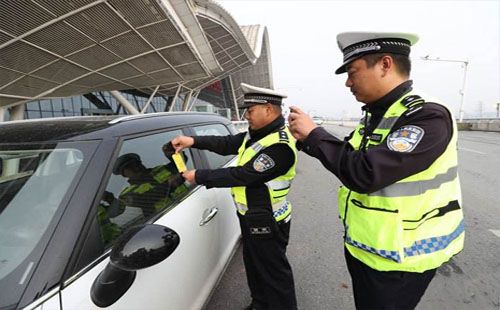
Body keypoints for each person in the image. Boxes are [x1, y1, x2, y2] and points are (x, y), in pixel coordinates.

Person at [288, 31, 465, 309]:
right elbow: (350, 156)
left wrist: (314, 134)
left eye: (353, 71)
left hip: (402, 259)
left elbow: (366, 173)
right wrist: (308, 140)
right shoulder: (377, 112)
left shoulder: (425, 114)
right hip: (368, 249)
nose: (348, 82)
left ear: (385, 64)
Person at [168, 83, 298, 310]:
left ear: (268, 109)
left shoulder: (280, 146)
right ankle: (260, 305)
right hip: (250, 216)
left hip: (269, 219)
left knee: (274, 274)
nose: (246, 116)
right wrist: (193, 141)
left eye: (250, 111)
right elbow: (226, 143)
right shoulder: (256, 135)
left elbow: (243, 175)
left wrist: (199, 175)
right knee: (255, 267)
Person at [112, 151, 187, 218]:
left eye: (137, 164)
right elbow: (149, 197)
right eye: (130, 168)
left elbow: (181, 164)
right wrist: (169, 184)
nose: (136, 168)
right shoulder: (127, 194)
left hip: (189, 206)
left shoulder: (161, 169)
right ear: (124, 175)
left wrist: (173, 154)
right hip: (167, 221)